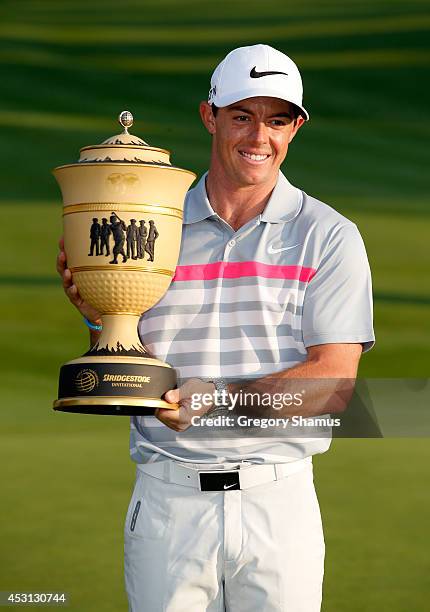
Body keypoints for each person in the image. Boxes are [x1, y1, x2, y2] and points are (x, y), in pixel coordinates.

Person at [57, 44, 374, 611]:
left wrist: (215, 402)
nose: (260, 137)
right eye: (241, 116)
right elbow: (132, 362)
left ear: (296, 127)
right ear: (209, 116)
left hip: (279, 505)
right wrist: (99, 314)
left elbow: (334, 385)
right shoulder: (150, 222)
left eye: (278, 120)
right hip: (168, 501)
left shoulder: (330, 236)